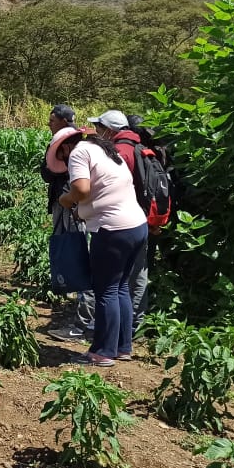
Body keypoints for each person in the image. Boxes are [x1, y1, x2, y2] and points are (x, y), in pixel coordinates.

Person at [55, 130, 148, 366]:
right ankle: (122, 347)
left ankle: (103, 352)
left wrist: (67, 199)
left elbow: (83, 190)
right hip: (136, 225)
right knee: (120, 288)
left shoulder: (78, 152)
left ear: (66, 148)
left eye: (61, 156)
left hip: (112, 230)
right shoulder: (104, 150)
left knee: (105, 290)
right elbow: (107, 192)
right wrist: (82, 211)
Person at [89, 110, 149, 330]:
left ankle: (113, 337)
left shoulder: (120, 152)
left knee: (111, 287)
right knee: (130, 279)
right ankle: (129, 330)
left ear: (110, 130)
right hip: (140, 220)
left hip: (120, 223)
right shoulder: (138, 146)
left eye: (99, 127)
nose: (96, 132)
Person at [40, 103, 94, 340]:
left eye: (52, 121)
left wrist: (70, 203)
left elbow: (49, 173)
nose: (49, 125)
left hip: (73, 208)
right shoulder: (89, 147)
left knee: (77, 252)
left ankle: (85, 321)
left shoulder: (74, 151)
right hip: (82, 209)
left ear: (63, 122)